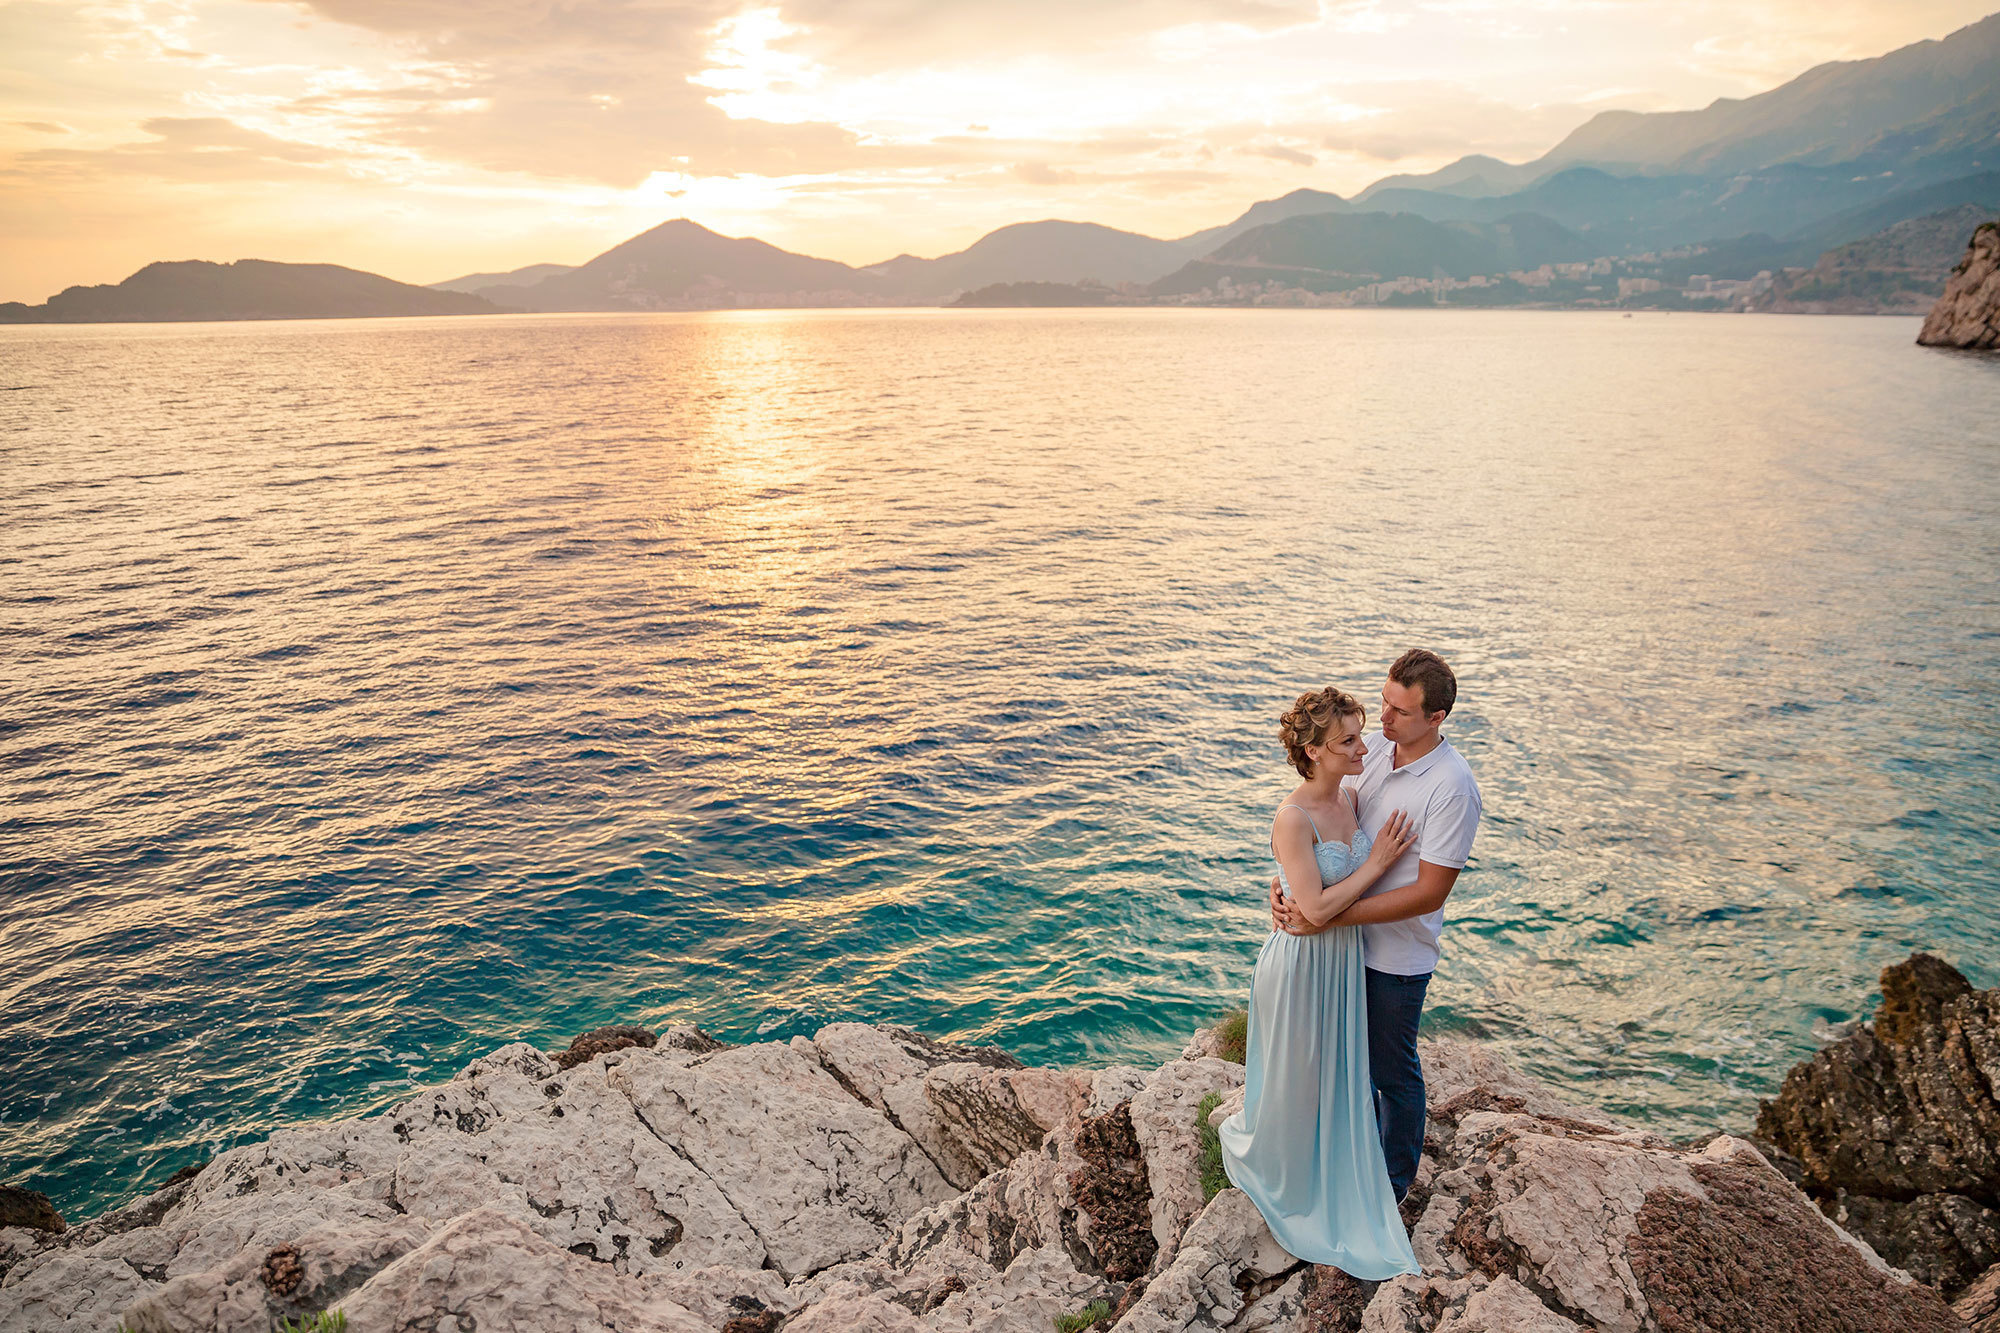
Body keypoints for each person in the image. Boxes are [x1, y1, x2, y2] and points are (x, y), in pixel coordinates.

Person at [1217, 686, 1422, 1279]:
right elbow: (1313, 909)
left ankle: (1335, 1163)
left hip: (1341, 964)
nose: (1364, 747)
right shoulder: (1293, 816)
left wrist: (1292, 889)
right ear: (1312, 751)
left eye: (1360, 734)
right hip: (1302, 967)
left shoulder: (1351, 798)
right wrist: (1377, 863)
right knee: (1300, 1077)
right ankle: (1289, 1177)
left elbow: (1313, 894)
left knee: (1333, 1074)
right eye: (1348, 740)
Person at [1269, 649, 1482, 1204]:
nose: (1382, 721)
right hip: (1339, 952)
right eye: (1384, 703)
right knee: (1343, 1070)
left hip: (1394, 958)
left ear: (1435, 717)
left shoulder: (1452, 786)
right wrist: (1292, 886)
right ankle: (1350, 1165)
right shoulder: (1377, 750)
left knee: (1393, 1074)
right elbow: (1325, 830)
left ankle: (1392, 1188)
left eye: (1399, 712)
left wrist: (1323, 916)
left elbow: (1431, 892)